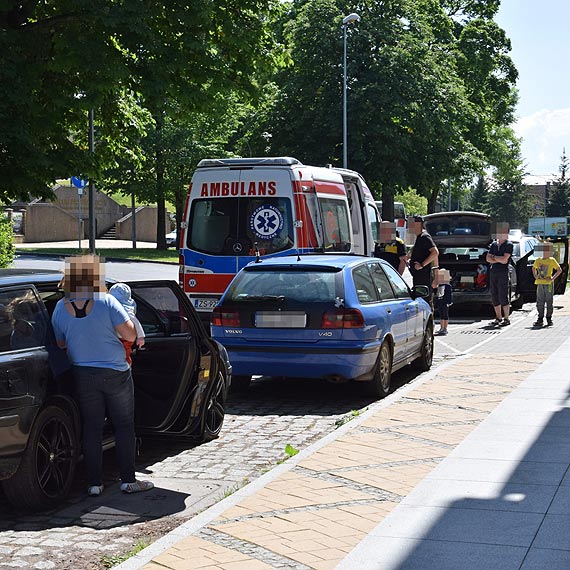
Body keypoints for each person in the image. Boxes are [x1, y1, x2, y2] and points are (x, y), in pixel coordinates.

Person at [51, 255, 153, 497]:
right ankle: (128, 480)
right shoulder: (107, 302)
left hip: (82, 373)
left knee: (92, 427)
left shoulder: (58, 307)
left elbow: (60, 342)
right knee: (124, 425)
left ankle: (94, 483)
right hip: (115, 371)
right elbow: (129, 335)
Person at [109, 283, 145, 366]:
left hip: (123, 338)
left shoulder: (124, 309)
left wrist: (140, 337)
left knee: (124, 353)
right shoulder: (127, 306)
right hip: (120, 337)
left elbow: (135, 322)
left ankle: (126, 365)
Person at [486, 222, 514, 327]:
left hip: (503, 272)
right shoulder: (493, 244)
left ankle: (506, 318)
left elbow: (504, 260)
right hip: (493, 272)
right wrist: (497, 258)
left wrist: (494, 258)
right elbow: (487, 259)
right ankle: (498, 317)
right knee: (494, 295)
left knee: (503, 295)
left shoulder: (509, 245)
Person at [408, 215, 439, 303]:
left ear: (418, 224)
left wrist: (422, 265)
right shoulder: (419, 237)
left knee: (424, 303)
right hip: (419, 278)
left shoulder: (424, 237)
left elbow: (435, 253)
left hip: (424, 279)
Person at [532, 242, 562, 327]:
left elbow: (559, 270)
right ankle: (540, 318)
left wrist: (552, 278)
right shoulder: (538, 260)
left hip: (548, 284)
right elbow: (533, 268)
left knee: (549, 301)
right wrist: (535, 276)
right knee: (540, 301)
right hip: (540, 283)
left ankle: (549, 318)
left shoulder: (552, 260)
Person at [432, 268, 453, 335]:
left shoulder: (447, 286)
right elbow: (436, 292)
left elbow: (449, 295)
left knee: (445, 315)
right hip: (440, 302)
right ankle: (442, 328)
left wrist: (449, 302)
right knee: (441, 315)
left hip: (445, 302)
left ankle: (445, 328)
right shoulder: (439, 285)